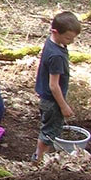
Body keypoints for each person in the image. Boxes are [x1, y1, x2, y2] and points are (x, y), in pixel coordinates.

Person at [33, 11, 82, 162]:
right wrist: (64, 106)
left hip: (47, 99)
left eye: (73, 38)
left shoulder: (52, 43)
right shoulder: (57, 56)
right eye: (68, 38)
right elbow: (53, 85)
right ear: (55, 31)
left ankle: (41, 157)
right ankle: (38, 161)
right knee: (48, 133)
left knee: (50, 130)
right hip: (52, 102)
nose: (71, 41)